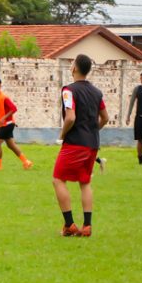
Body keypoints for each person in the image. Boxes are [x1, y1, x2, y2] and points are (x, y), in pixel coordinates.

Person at [52, 54, 109, 238]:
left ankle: (69, 225)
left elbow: (70, 117)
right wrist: (93, 131)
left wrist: (62, 135)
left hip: (75, 143)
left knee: (58, 179)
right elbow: (105, 118)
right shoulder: (97, 92)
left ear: (74, 68)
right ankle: (87, 226)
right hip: (92, 144)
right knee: (85, 182)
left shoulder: (68, 90)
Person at [0, 77, 33, 171]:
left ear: (0, 86)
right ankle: (26, 162)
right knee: (11, 145)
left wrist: (3, 118)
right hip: (4, 124)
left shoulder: (4, 97)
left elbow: (14, 108)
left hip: (8, 124)